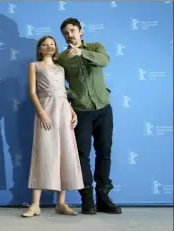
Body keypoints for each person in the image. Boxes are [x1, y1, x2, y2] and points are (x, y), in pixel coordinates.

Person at [57, 18, 122, 215]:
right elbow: (58, 85)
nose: (70, 35)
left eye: (72, 30)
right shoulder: (62, 58)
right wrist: (72, 95)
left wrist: (83, 53)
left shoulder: (96, 47)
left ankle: (103, 197)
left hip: (103, 108)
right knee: (82, 154)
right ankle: (87, 199)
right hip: (81, 112)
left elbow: (105, 61)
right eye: (66, 33)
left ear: (81, 31)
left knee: (104, 152)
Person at [21, 36, 84, 218]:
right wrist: (41, 113)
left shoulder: (60, 68)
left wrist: (72, 112)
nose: (49, 46)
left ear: (55, 48)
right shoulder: (35, 66)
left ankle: (61, 203)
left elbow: (63, 93)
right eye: (44, 44)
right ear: (39, 49)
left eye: (52, 44)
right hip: (46, 110)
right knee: (43, 153)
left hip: (64, 111)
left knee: (64, 152)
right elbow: (32, 92)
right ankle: (35, 205)